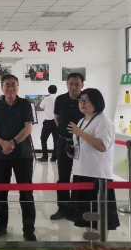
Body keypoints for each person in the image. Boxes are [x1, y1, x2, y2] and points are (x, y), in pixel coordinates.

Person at [0, 74, 36, 242]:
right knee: (1, 191)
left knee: (26, 192)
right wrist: (2, 143)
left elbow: (28, 128)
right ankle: (0, 226)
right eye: (7, 85)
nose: (10, 88)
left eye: (13, 84)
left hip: (23, 154)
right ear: (2, 87)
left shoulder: (25, 104)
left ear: (18, 87)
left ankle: (28, 229)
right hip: (1, 155)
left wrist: (13, 143)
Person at [67, 88, 120, 232]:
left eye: (86, 101)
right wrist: (72, 150)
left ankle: (101, 245)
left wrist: (81, 134)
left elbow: (102, 146)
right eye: (80, 100)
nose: (82, 103)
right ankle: (89, 245)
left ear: (96, 102)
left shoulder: (103, 121)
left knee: (101, 219)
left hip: (97, 175)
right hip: (81, 172)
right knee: (85, 218)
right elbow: (83, 143)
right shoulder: (82, 120)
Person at [50, 73, 85, 221]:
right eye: (71, 84)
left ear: (82, 85)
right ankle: (63, 208)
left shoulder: (86, 100)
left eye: (77, 84)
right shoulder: (60, 99)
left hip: (83, 144)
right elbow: (56, 117)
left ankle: (78, 209)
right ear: (67, 84)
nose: (73, 87)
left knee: (81, 177)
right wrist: (62, 131)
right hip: (63, 142)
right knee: (63, 176)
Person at [38, 85, 58, 162]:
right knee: (56, 140)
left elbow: (41, 106)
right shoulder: (58, 98)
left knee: (43, 139)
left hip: (47, 122)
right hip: (56, 121)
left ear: (49, 91)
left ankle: (45, 157)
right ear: (56, 91)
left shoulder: (46, 98)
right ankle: (54, 157)